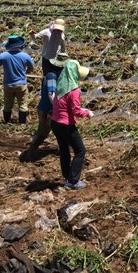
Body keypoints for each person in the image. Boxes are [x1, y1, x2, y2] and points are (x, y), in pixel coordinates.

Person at [50, 58, 93, 189]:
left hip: (55, 122)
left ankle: (67, 177)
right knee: (80, 150)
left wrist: (81, 110)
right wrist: (88, 113)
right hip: (66, 125)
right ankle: (73, 181)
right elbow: (76, 111)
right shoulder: (74, 90)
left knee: (64, 150)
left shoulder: (60, 86)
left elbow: (64, 106)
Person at [19, 53, 68, 162]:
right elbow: (51, 93)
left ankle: (63, 150)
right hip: (48, 109)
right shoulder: (51, 75)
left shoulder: (57, 76)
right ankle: (30, 154)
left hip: (51, 108)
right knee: (43, 133)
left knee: (61, 130)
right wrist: (57, 106)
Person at [0, 35, 34, 124]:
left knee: (7, 105)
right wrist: (26, 72)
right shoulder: (25, 56)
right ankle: (22, 124)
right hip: (21, 84)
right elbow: (31, 67)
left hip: (8, 84)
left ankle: (7, 122)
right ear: (20, 46)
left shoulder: (3, 56)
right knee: (23, 105)